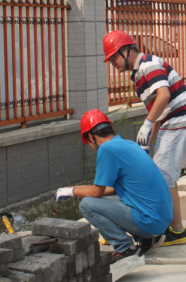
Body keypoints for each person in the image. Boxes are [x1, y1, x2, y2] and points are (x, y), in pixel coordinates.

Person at [103, 30, 186, 246]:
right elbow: (158, 112)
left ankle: (177, 231)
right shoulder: (138, 75)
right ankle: (168, 224)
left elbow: (164, 96)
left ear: (126, 51)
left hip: (181, 120)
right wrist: (146, 143)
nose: (113, 64)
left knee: (164, 176)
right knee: (160, 173)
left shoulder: (149, 64)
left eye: (113, 58)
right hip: (173, 122)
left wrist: (147, 124)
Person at [54, 109, 173, 261]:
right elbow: (112, 189)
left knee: (87, 205)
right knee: (111, 199)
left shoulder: (106, 149)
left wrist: (70, 191)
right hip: (162, 219)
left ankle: (126, 248)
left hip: (150, 221)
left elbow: (96, 192)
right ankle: (147, 239)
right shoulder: (129, 144)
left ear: (90, 136)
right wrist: (74, 191)